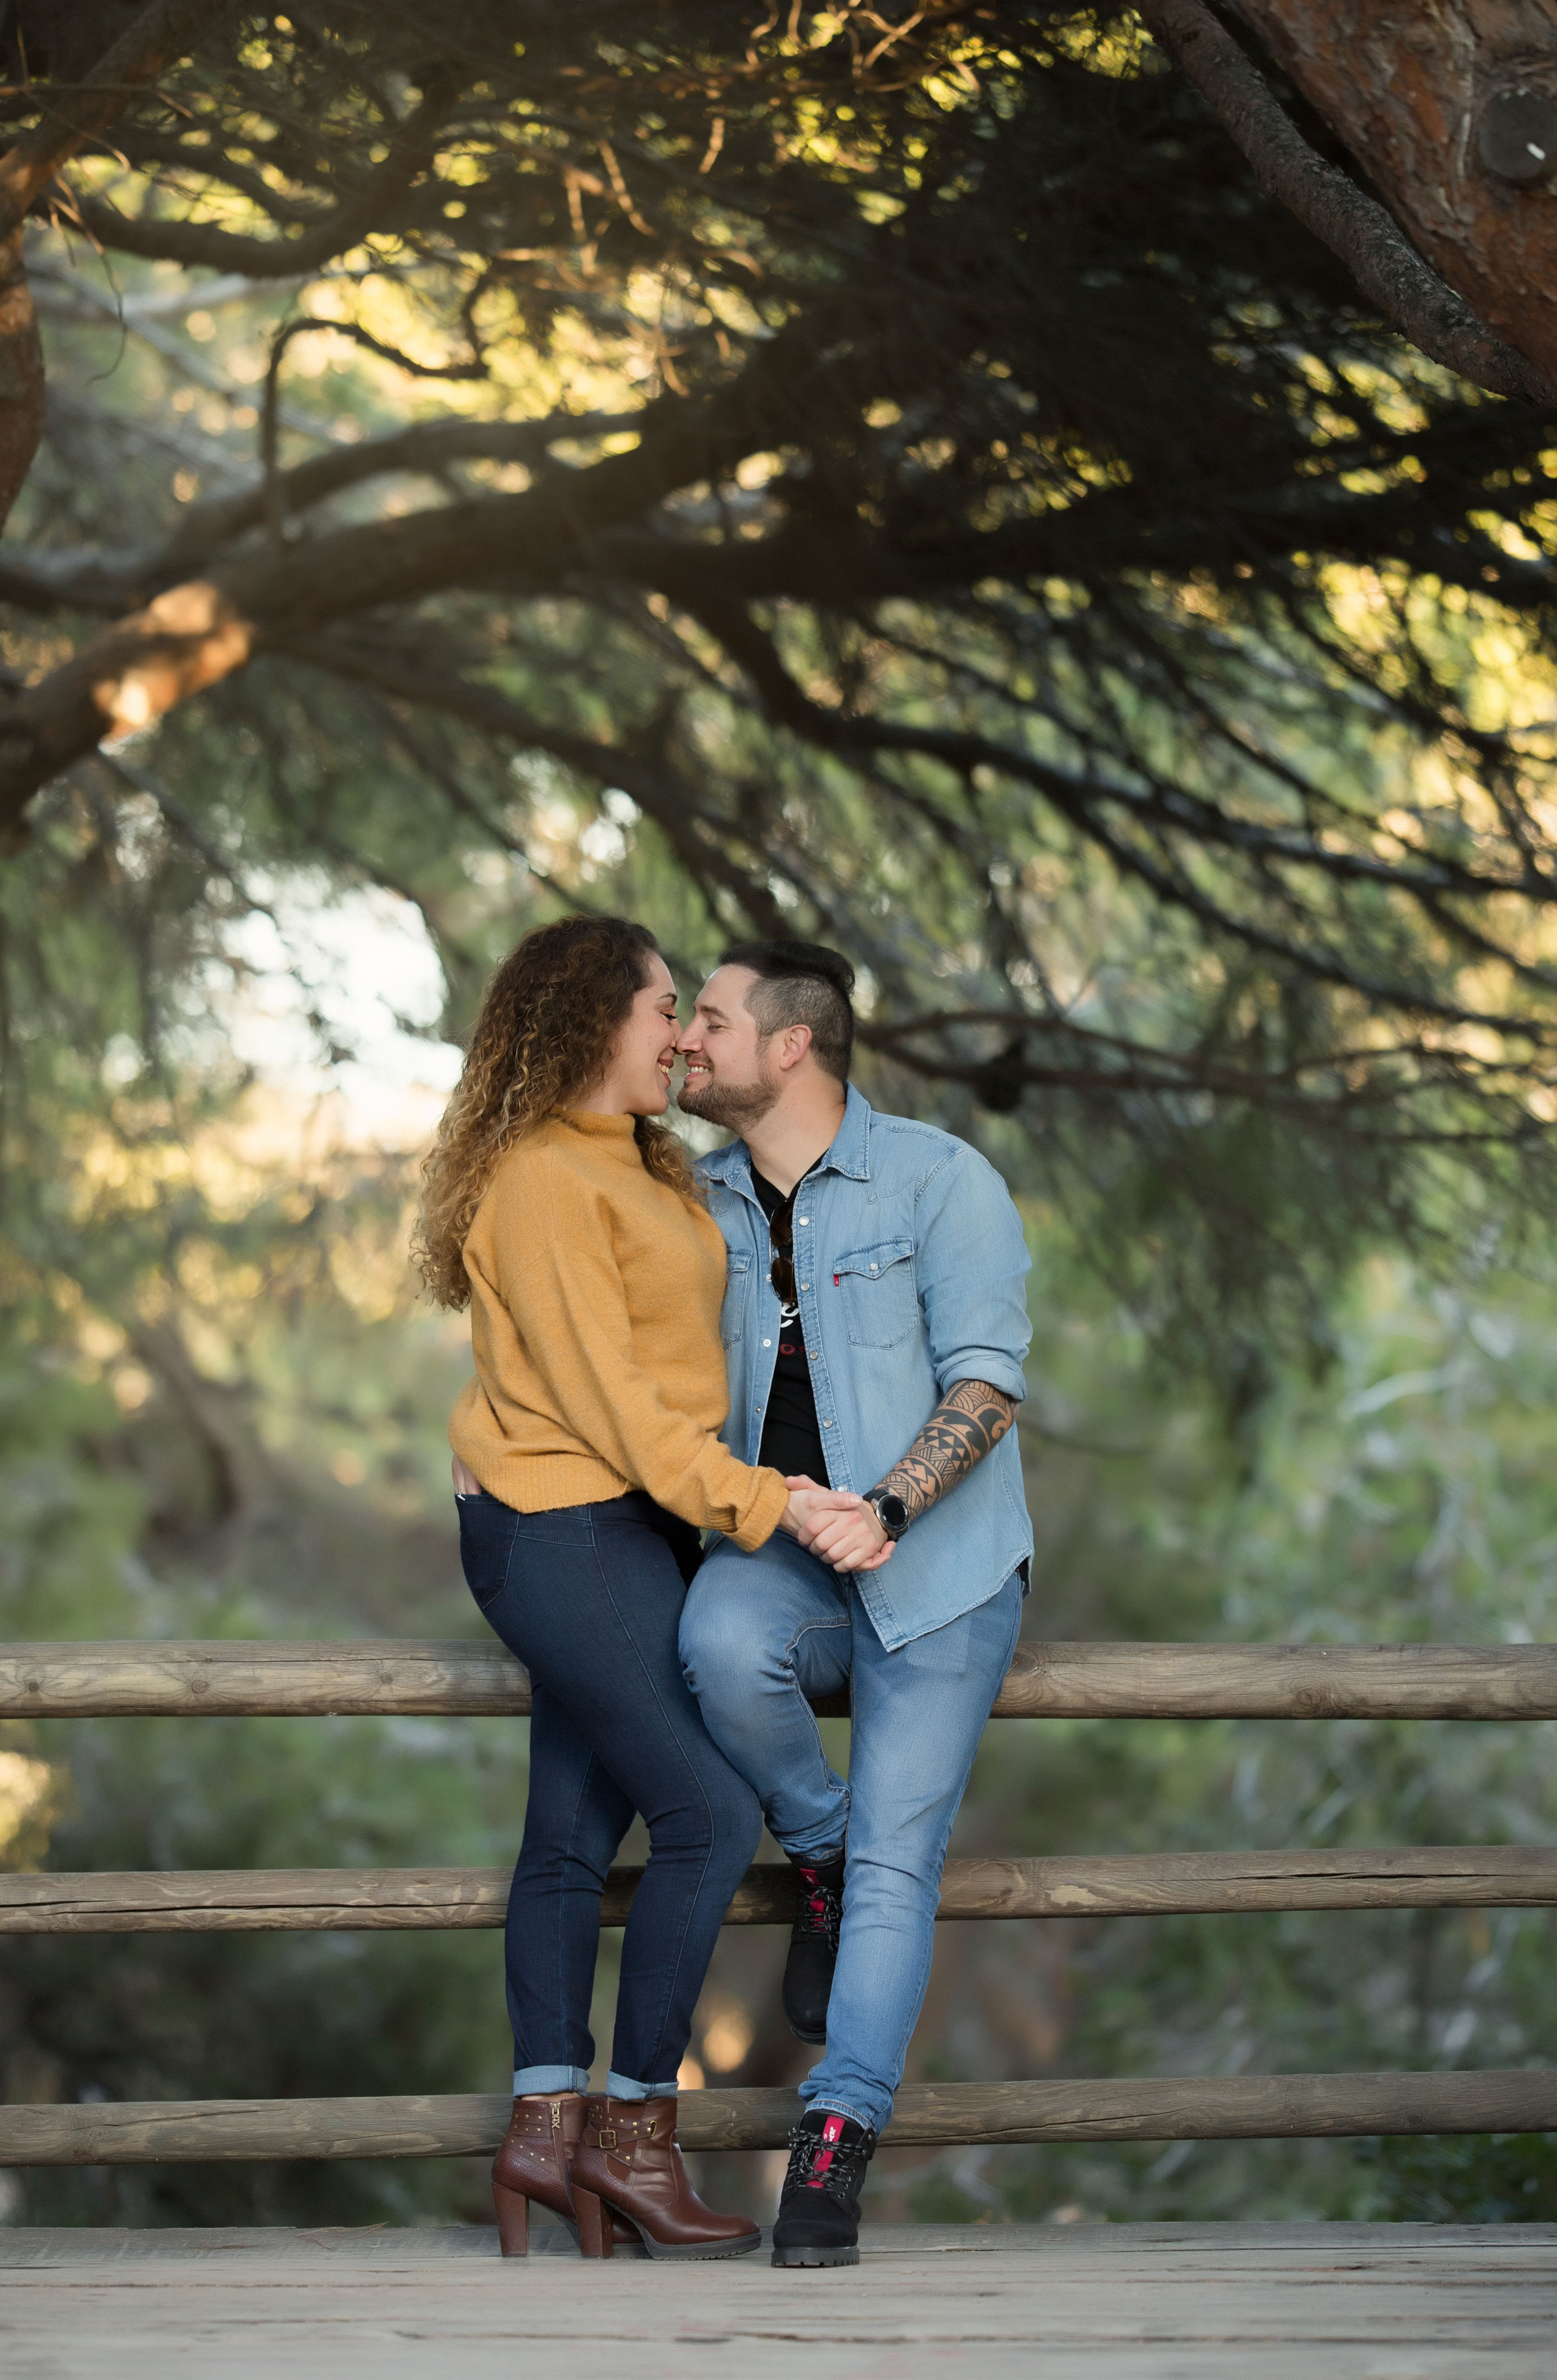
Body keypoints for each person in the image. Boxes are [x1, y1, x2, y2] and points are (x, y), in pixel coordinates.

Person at [414, 916, 887, 2263]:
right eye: (662, 1007)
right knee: (707, 1810)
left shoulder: (642, 1160)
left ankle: (542, 2133)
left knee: (568, 1836)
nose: (680, 1032)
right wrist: (767, 1501)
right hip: (560, 1526)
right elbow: (611, 1403)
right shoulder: (540, 1181)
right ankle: (635, 2135)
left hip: (623, 1526)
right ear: (590, 1021)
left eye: (692, 1011)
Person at [676, 940, 1033, 2269]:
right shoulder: (689, 1199)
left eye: (708, 1019)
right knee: (713, 1643)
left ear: (790, 1046)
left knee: (901, 1858)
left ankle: (835, 2141)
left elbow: (985, 1386)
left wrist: (882, 1508)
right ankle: (809, 1842)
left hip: (938, 1569)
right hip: (775, 1559)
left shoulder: (941, 1178)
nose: (686, 1041)